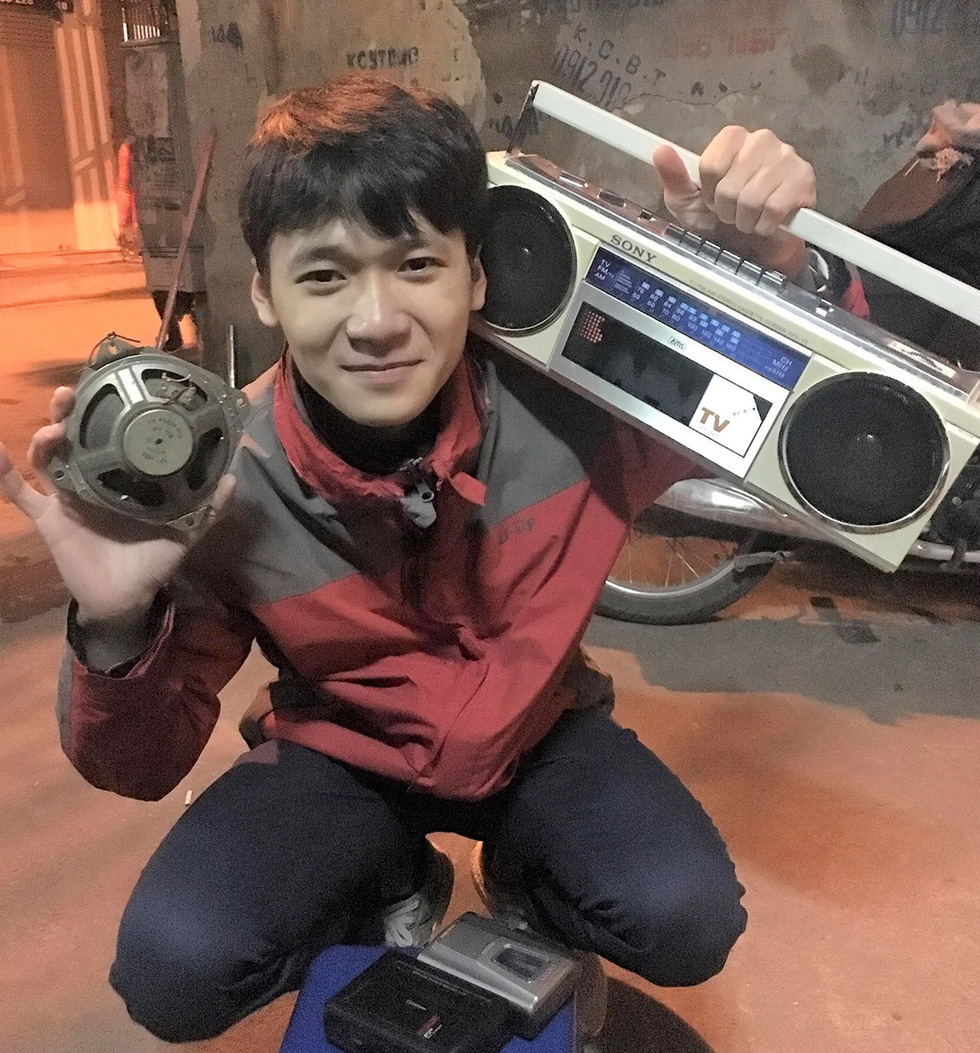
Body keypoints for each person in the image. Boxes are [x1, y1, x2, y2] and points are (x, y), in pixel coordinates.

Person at [0, 74, 818, 1043]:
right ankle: (392, 877)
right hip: (340, 757)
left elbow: (792, 416)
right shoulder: (220, 489)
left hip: (538, 738)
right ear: (264, 291)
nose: (377, 319)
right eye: (323, 275)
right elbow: (138, 768)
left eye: (417, 264)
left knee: (681, 917)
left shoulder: (579, 414)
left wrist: (768, 260)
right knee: (177, 972)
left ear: (476, 275)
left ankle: (524, 881)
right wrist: (117, 626)